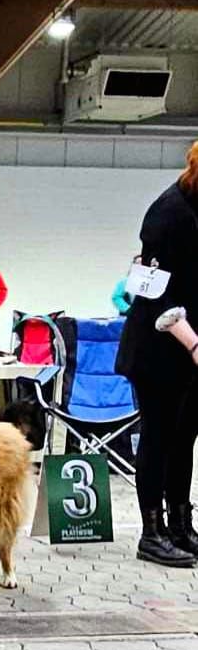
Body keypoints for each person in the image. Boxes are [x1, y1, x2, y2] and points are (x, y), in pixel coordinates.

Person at [116, 140, 198, 568]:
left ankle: (181, 525)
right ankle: (152, 532)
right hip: (156, 348)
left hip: (190, 351)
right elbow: (153, 294)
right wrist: (194, 344)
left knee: (185, 437)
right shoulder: (168, 214)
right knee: (159, 437)